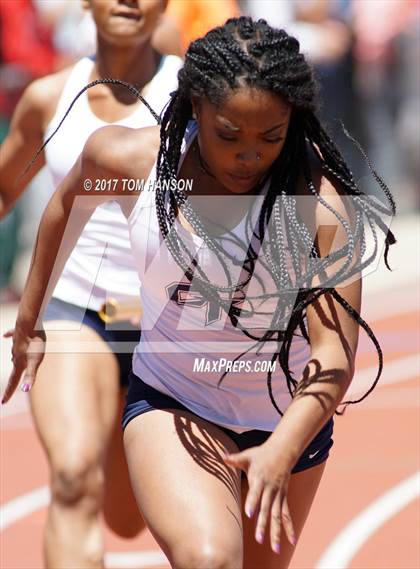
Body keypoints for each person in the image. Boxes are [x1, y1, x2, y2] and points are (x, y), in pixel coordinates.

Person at [3, 17, 395, 569]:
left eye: (271, 137)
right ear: (194, 110)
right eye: (229, 135)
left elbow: (335, 353)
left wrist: (282, 449)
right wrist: (31, 320)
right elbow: (67, 204)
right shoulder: (132, 165)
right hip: (175, 399)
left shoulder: (320, 204)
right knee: (210, 559)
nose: (248, 156)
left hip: (289, 424)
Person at [0, 0, 182, 567]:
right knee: (75, 477)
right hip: (75, 311)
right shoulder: (49, 99)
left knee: (129, 518)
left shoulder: (196, 94)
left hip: (169, 325)